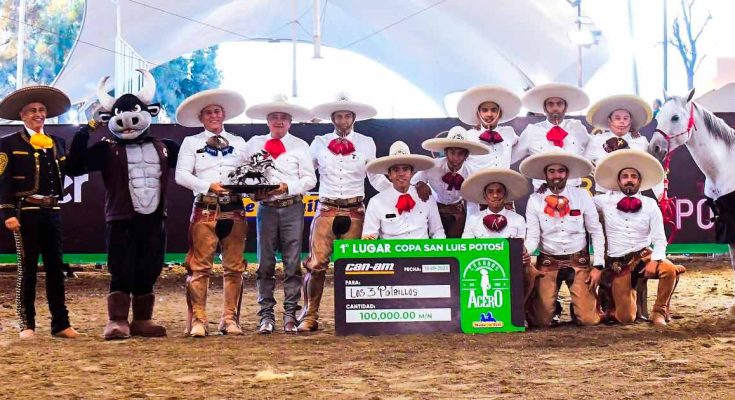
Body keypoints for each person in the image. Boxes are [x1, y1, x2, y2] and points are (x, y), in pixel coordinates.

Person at [67, 70, 177, 339]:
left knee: (150, 268)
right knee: (121, 268)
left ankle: (142, 319)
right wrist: (87, 129)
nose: (128, 123)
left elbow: (194, 169)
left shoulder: (167, 147)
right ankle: (117, 320)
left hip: (154, 219)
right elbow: (74, 166)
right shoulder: (106, 149)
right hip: (121, 220)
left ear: (150, 113)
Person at [298, 93, 390, 332]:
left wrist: (401, 191)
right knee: (316, 264)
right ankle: (310, 315)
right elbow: (307, 175)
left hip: (355, 210)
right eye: (339, 116)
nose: (343, 120)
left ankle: (355, 315)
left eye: (347, 115)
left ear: (353, 118)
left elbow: (376, 177)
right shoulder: (319, 141)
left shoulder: (367, 142)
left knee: (354, 264)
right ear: (332, 118)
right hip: (326, 207)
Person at [0, 85, 79, 339]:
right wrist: (7, 213)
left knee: (56, 267)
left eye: (42, 110)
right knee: (27, 269)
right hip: (25, 212)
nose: (38, 114)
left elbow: (72, 169)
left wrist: (88, 131)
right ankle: (27, 324)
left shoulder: (57, 142)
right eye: (33, 110)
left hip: (52, 209)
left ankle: (61, 323)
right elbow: (3, 182)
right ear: (22, 115)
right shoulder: (8, 144)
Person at [175, 88, 249, 337]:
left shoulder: (239, 143)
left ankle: (230, 319)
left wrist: (256, 190)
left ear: (224, 114)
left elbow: (250, 175)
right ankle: (198, 320)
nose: (214, 116)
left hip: (235, 207)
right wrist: (208, 185)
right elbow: (181, 175)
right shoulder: (191, 142)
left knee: (235, 266)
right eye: (208, 113)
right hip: (205, 206)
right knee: (199, 266)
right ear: (201, 118)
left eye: (217, 111)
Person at [245, 94, 317, 334]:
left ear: (290, 121)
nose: (278, 121)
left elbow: (310, 178)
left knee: (292, 263)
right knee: (264, 262)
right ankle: (266, 315)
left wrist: (287, 186)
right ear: (267, 120)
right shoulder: (254, 143)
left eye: (283, 117)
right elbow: (244, 175)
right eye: (274, 117)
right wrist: (253, 193)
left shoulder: (300, 145)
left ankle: (290, 314)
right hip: (266, 208)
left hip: (292, 206)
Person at [593, 149, 685, 326]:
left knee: (668, 269)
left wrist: (655, 260)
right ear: (618, 181)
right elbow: (578, 202)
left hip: (644, 256)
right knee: (626, 318)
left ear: (639, 181)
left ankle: (659, 312)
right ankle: (628, 300)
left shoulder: (650, 204)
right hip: (619, 264)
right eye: (625, 176)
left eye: (633, 176)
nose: (629, 179)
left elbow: (660, 239)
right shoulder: (603, 201)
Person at [520, 151, 605, 327]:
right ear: (545, 175)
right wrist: (524, 251)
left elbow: (596, 231)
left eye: (560, 171)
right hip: (548, 261)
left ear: (567, 174)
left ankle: (580, 306)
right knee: (540, 322)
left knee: (589, 320)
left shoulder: (581, 196)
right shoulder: (535, 200)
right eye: (552, 171)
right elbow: (534, 237)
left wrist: (598, 265)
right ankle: (553, 306)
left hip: (578, 261)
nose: (556, 175)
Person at [460, 168, 540, 307]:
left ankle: (519, 311)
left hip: (510, 268)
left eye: (499, 191)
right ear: (485, 196)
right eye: (490, 192)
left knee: (529, 270)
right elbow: (465, 245)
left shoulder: (518, 219)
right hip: (481, 267)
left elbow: (521, 247)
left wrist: (526, 254)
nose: (495, 195)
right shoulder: (473, 219)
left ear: (505, 194)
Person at [455, 85, 523, 215]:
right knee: (475, 232)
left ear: (500, 113)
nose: (489, 114)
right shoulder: (469, 136)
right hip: (477, 199)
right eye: (485, 110)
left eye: (493, 110)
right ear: (478, 113)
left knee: (509, 233)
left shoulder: (509, 133)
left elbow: (522, 148)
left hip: (504, 197)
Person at [513, 83, 591, 188]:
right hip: (543, 193)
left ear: (565, 107)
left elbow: (592, 149)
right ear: (544, 108)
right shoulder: (532, 131)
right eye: (550, 104)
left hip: (573, 192)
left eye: (559, 104)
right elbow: (511, 157)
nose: (555, 108)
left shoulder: (577, 127)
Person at [362, 141, 446, 240]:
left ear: (412, 173)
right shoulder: (376, 202)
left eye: (405, 169)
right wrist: (369, 239)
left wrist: (438, 253)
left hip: (422, 254)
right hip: (391, 255)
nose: (401, 174)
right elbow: (369, 236)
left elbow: (437, 231)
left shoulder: (426, 196)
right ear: (389, 174)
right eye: (396, 170)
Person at [414, 126, 488, 237]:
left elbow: (473, 206)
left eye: (460, 154)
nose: (455, 158)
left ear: (466, 155)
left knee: (455, 246)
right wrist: (419, 184)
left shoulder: (472, 174)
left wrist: (468, 233)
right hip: (434, 210)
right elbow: (413, 182)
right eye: (452, 153)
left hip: (457, 212)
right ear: (445, 151)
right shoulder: (432, 166)